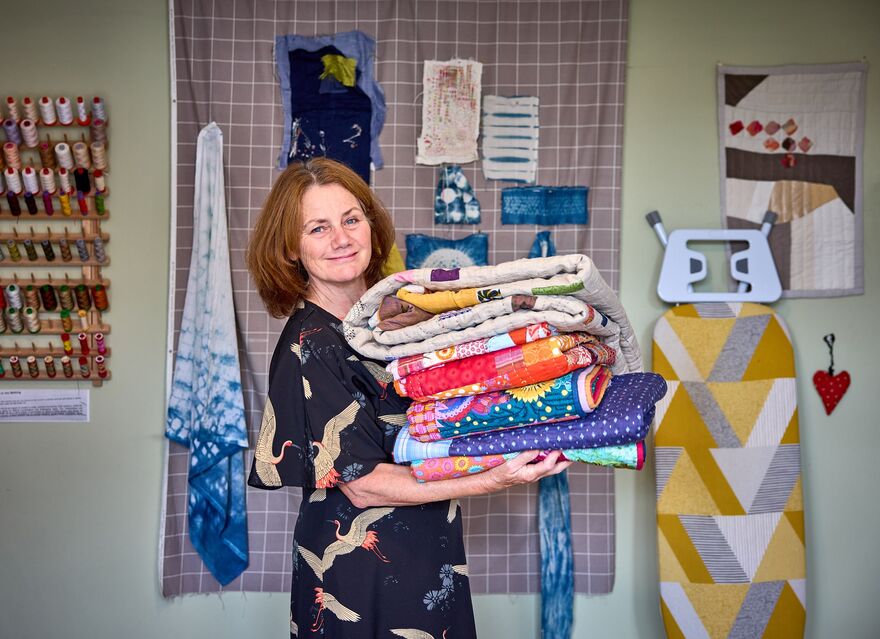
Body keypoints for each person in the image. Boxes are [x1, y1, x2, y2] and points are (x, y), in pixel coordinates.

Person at [246, 157, 571, 638]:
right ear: (291, 249)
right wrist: (493, 479)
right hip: (362, 579)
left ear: (371, 228)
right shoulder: (312, 343)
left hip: (429, 556)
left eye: (351, 219)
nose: (342, 238)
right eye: (318, 228)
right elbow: (362, 484)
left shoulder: (385, 329)